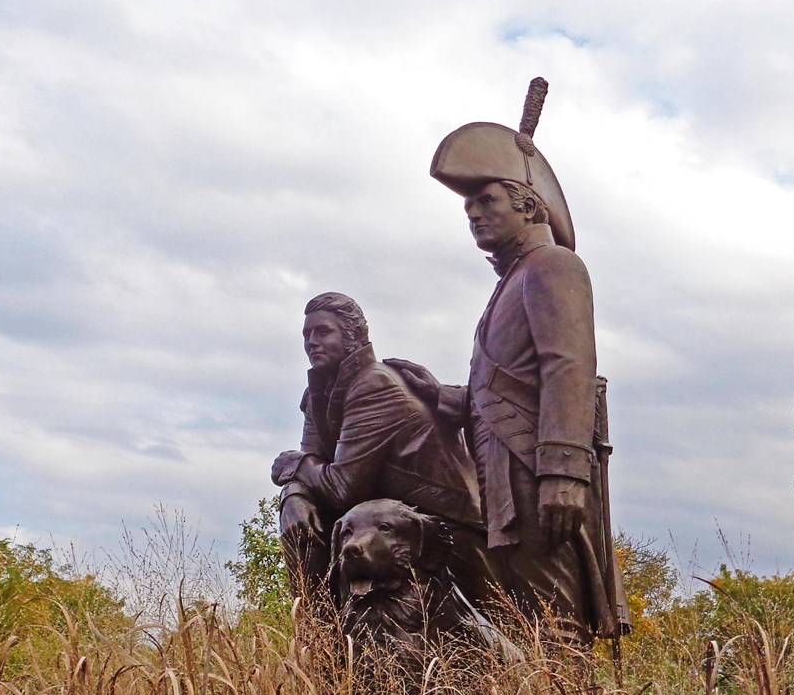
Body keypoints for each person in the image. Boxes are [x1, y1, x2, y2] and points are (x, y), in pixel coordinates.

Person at [394, 111, 630, 646]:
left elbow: (567, 366)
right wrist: (444, 397)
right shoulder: (516, 278)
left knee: (554, 623)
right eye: (468, 206)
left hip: (535, 470)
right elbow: (507, 387)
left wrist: (563, 473)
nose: (474, 214)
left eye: (486, 201)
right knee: (526, 620)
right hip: (506, 478)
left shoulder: (553, 265)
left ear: (527, 205)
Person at [270, 292, 497, 612]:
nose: (311, 342)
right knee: (299, 520)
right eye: (307, 334)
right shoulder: (318, 392)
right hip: (384, 519)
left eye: (323, 332)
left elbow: (341, 488)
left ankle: (327, 643)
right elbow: (311, 464)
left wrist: (293, 465)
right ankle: (321, 644)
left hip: (442, 528)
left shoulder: (374, 384)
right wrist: (293, 494)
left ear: (354, 337)